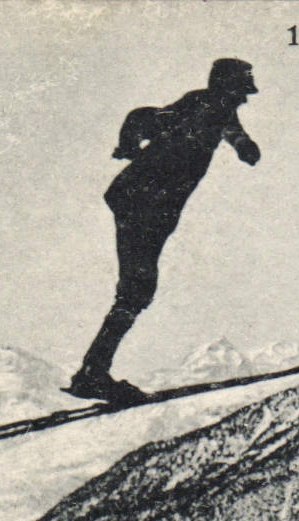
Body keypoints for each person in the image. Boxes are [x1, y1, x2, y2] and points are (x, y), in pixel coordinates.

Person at [69, 58, 261, 403]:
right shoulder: (199, 106)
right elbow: (143, 117)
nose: (245, 100)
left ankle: (93, 371)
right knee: (137, 289)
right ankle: (92, 374)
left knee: (137, 291)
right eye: (240, 92)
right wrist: (129, 143)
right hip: (140, 204)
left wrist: (244, 145)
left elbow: (230, 129)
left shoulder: (216, 111)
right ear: (224, 89)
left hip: (150, 210)